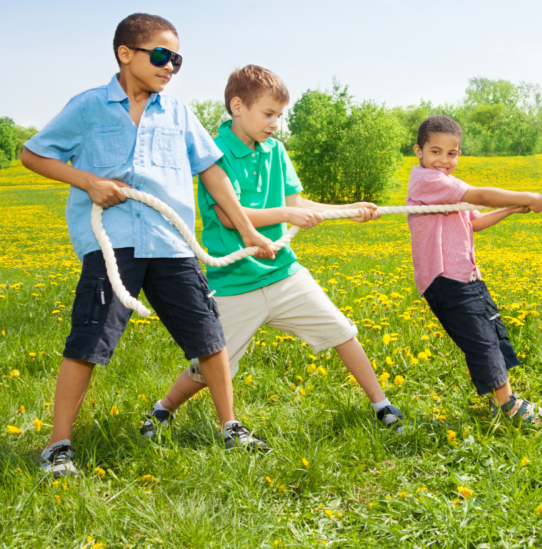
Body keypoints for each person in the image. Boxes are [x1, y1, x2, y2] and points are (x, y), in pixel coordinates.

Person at [21, 14, 276, 478]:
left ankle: (231, 426)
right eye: (161, 55)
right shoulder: (88, 107)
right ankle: (58, 446)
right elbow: (33, 154)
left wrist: (248, 230)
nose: (171, 66)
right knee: (88, 341)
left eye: (177, 59)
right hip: (113, 244)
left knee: (209, 337)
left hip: (171, 244)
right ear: (126, 54)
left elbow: (212, 172)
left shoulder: (178, 112)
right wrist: (88, 182)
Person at [141, 65, 406, 436]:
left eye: (279, 115)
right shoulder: (214, 153)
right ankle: (164, 408)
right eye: (268, 114)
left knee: (342, 330)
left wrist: (349, 211)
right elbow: (231, 217)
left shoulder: (275, 150)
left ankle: (382, 405)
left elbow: (296, 202)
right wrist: (286, 213)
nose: (275, 123)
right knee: (210, 366)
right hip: (235, 282)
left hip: (283, 273)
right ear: (237, 106)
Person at [407, 116, 542, 422]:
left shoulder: (447, 187)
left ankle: (505, 400)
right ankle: (508, 407)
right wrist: (527, 197)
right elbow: (482, 196)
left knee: (491, 332)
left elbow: (476, 221)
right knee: (481, 339)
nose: (443, 160)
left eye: (452, 153)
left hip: (468, 276)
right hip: (444, 279)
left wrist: (511, 209)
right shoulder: (427, 181)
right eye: (435, 151)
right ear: (419, 151)